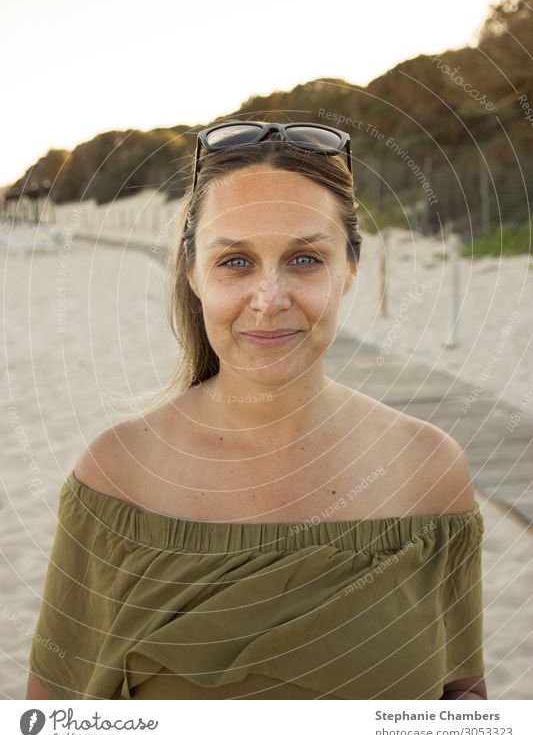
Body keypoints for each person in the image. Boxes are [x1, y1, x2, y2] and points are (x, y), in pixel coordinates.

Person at [27, 120, 486, 700]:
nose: (269, 301)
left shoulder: (430, 471)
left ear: (349, 268)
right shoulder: (118, 474)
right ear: (193, 272)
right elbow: (50, 722)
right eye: (236, 262)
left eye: (304, 259)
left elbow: (464, 707)